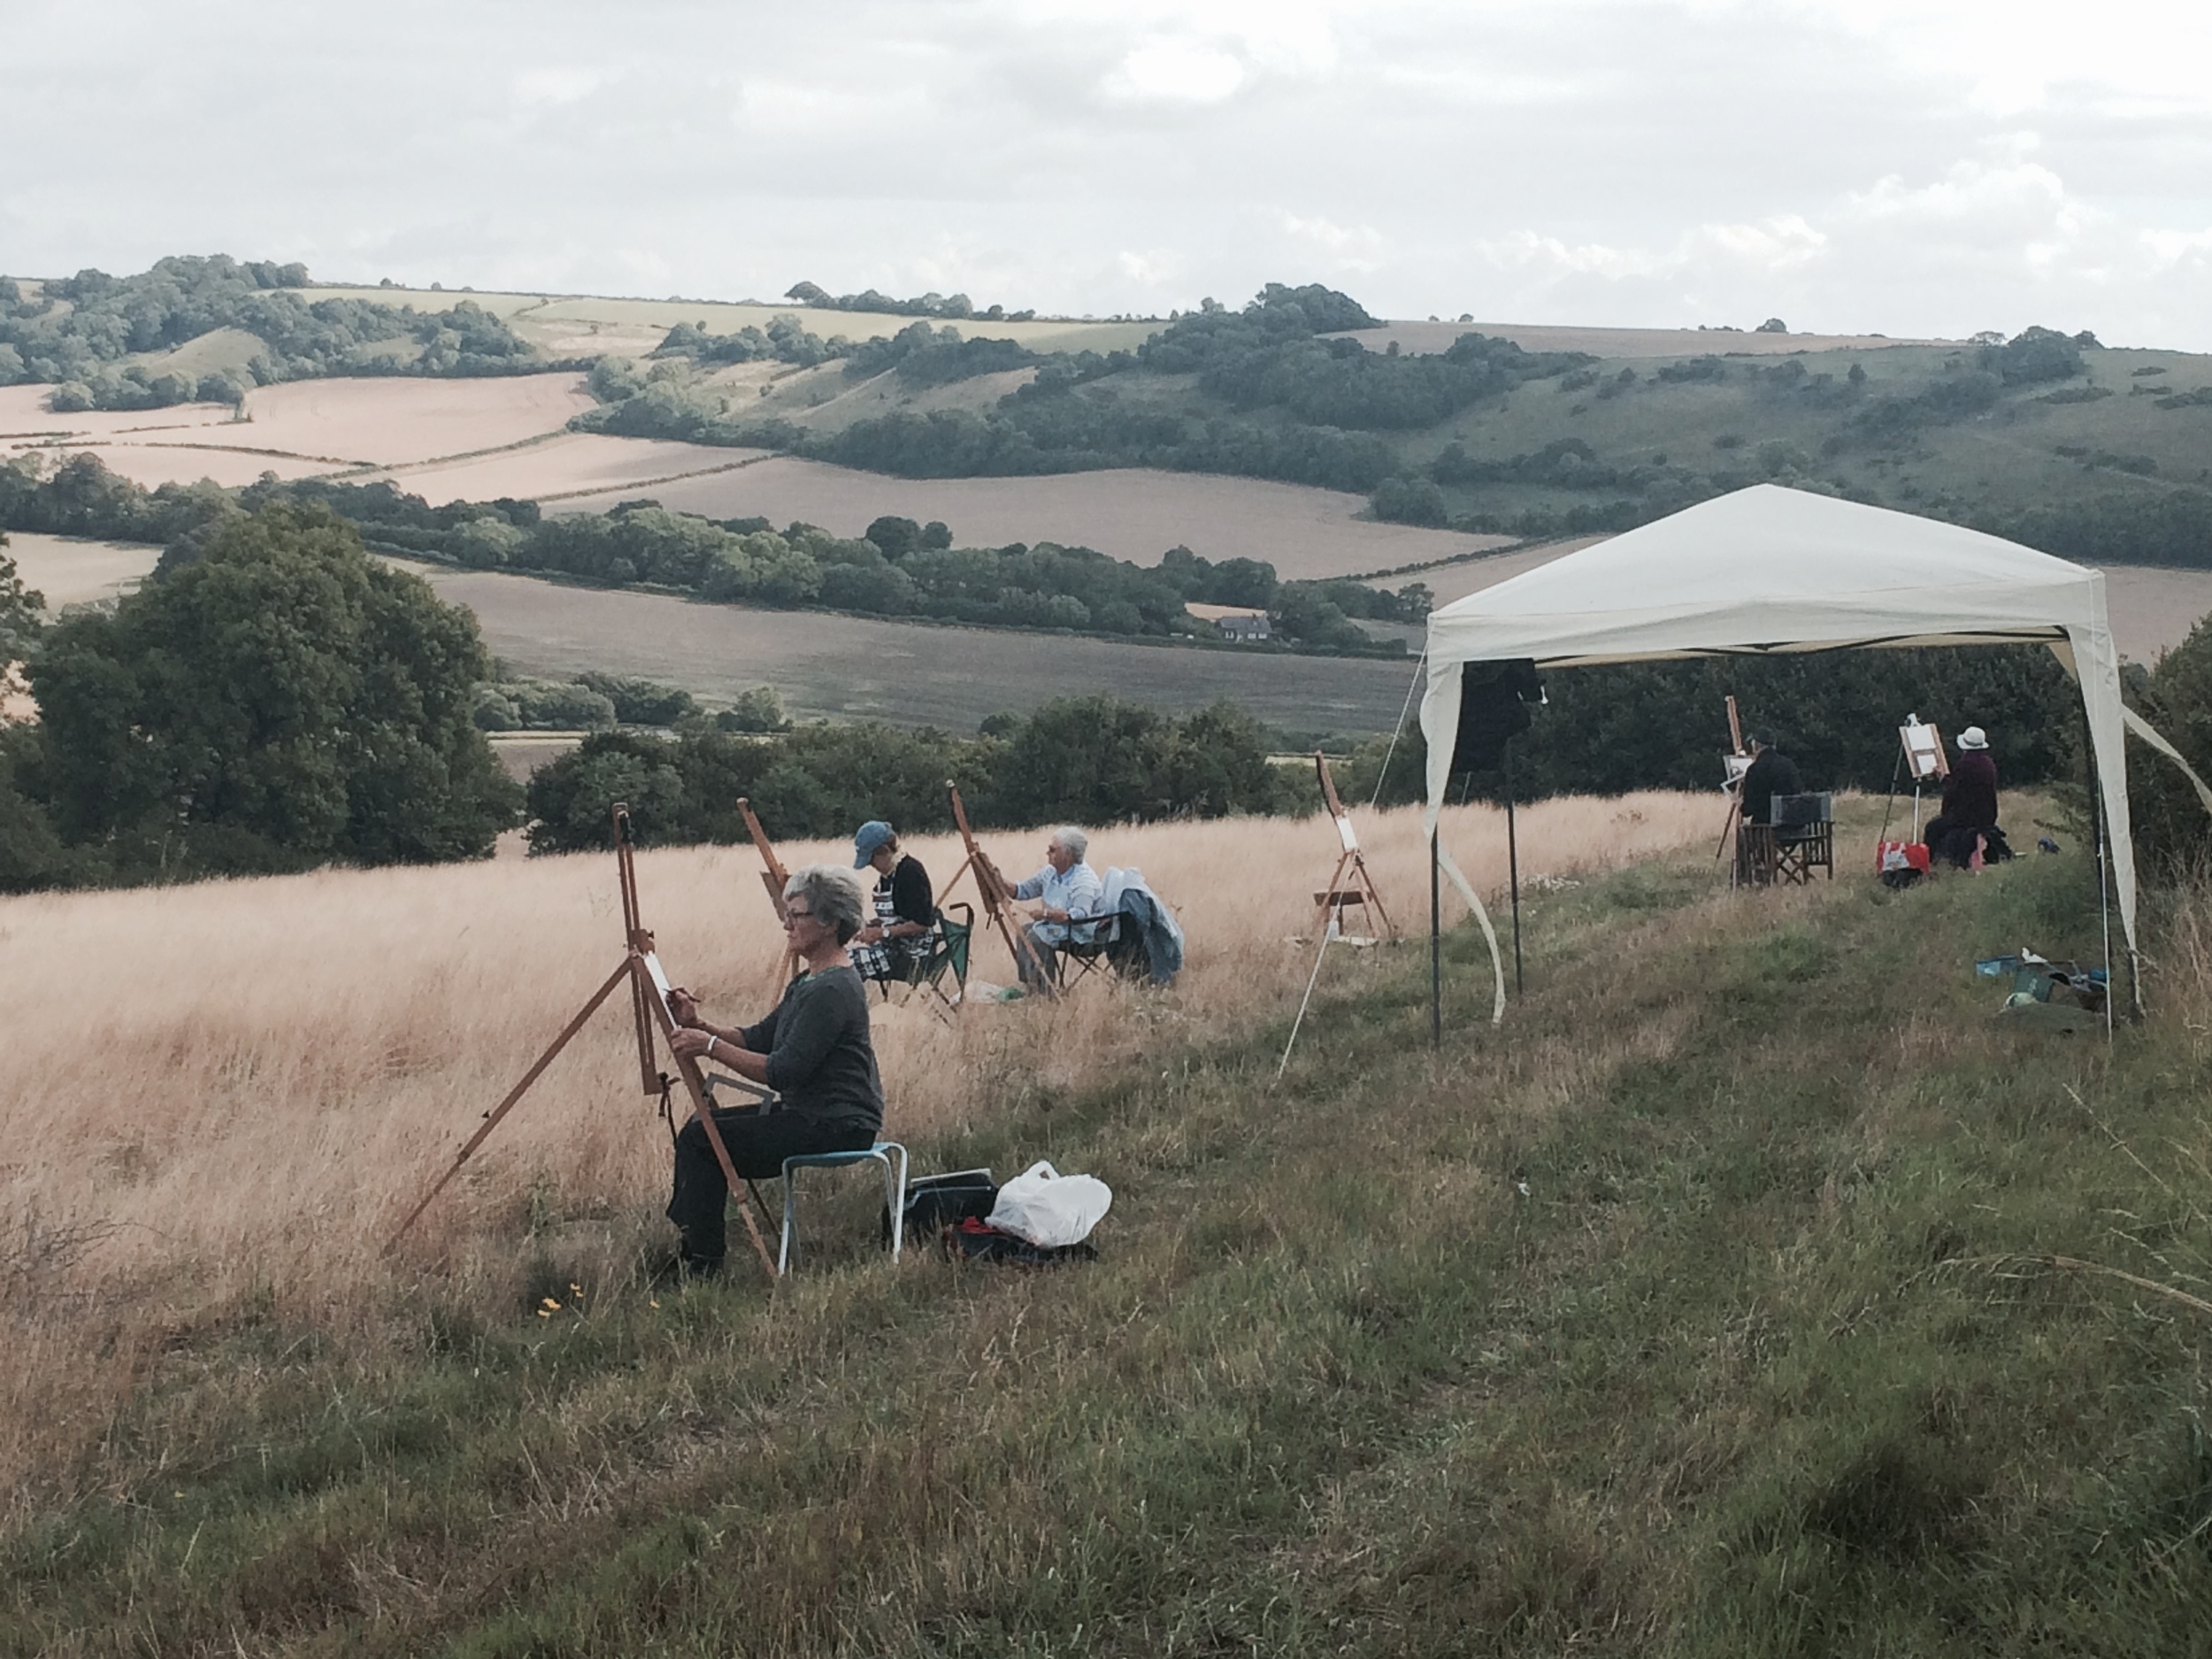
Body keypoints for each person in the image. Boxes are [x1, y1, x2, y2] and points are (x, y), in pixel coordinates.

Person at [662, 864, 884, 1276]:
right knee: (702, 1128)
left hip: (836, 1124)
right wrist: (700, 1026)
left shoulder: (832, 990)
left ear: (830, 922)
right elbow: (760, 1036)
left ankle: (703, 1263)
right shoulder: (810, 982)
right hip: (811, 1115)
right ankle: (696, 1249)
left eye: (796, 915)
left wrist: (709, 1048)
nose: (787, 924)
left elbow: (781, 1072)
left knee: (701, 1140)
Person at [1010, 826, 1102, 987]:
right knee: (1024, 931)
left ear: (1069, 855)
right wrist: (996, 879)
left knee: (1036, 937)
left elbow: (1079, 915)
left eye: (1053, 850)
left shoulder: (1084, 881)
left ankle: (1045, 992)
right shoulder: (1050, 872)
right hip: (1059, 927)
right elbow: (1022, 890)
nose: (1048, 853)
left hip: (1082, 934)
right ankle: (1030, 984)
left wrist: (1046, 914)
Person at [848, 820, 934, 986]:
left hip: (914, 955)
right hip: (892, 950)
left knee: (847, 966)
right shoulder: (887, 875)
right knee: (840, 960)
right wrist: (868, 926)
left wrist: (882, 933)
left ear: (884, 851)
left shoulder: (910, 872)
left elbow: (922, 923)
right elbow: (895, 916)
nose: (871, 866)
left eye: (871, 860)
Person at [1923, 724, 2003, 869]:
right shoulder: (1988, 763)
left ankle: (1931, 863)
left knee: (1933, 828)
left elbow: (1954, 790)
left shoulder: (1965, 764)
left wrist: (1942, 777)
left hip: (1967, 817)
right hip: (1988, 815)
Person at [1737, 734, 1802, 826]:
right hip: (1793, 826)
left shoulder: (1755, 769)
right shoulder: (1789, 764)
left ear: (1756, 746)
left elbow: (1749, 809)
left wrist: (1741, 805)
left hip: (1766, 828)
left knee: (1744, 832)